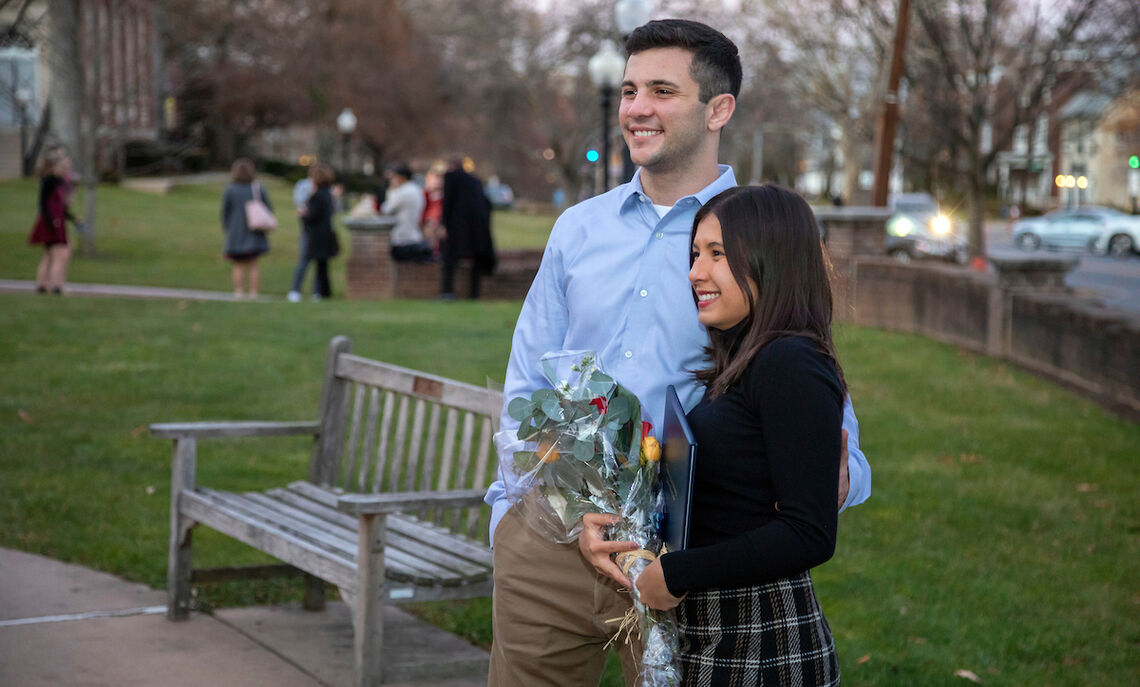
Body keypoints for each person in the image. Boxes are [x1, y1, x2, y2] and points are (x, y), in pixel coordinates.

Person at [486, 19, 870, 687]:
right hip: (551, 540)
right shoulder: (579, 228)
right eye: (630, 89)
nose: (635, 108)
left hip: (687, 554)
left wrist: (841, 475)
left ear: (719, 108)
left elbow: (806, 373)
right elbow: (529, 373)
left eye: (662, 90)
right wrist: (508, 511)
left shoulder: (755, 237)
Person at [636, 184, 846, 685]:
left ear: (771, 258)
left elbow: (808, 533)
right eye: (694, 254)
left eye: (717, 253)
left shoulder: (791, 363)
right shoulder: (744, 360)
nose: (695, 273)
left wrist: (679, 573)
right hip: (717, 630)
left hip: (762, 636)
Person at [440, 159, 495, 299]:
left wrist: (444, 224)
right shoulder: (475, 181)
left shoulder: (452, 178)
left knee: (449, 258)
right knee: (475, 259)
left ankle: (447, 292)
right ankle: (474, 294)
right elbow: (487, 203)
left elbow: (448, 202)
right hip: (478, 226)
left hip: (457, 225)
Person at [28, 147, 77, 294]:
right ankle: (57, 286)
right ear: (55, 166)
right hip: (51, 222)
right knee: (60, 254)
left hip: (57, 221)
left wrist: (73, 218)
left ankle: (42, 285)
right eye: (63, 167)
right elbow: (43, 204)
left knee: (50, 254)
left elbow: (61, 206)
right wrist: (51, 222)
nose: (64, 171)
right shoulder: (49, 181)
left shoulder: (61, 182)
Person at [221, 158, 272, 298]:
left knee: (238, 264)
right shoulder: (258, 188)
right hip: (254, 231)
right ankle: (253, 292)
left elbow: (225, 212)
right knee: (253, 264)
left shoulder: (230, 190)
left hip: (235, 231)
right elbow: (268, 208)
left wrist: (227, 228)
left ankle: (238, 291)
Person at [297, 163, 340, 301]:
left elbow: (312, 216)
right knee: (322, 266)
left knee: (308, 262)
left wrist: (303, 215)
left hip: (315, 235)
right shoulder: (328, 194)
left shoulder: (318, 195)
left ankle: (301, 291)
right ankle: (321, 292)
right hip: (326, 234)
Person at [381, 164, 432, 262]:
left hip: (403, 240)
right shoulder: (416, 189)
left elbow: (385, 209)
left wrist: (391, 190)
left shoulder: (403, 191)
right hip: (414, 236)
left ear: (401, 177)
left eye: (393, 177)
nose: (391, 181)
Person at [287, 170, 315, 302]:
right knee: (304, 259)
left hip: (319, 230)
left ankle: (317, 291)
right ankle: (295, 290)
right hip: (309, 228)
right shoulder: (304, 185)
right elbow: (300, 203)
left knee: (320, 263)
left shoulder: (324, 189)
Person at [421, 162, 446, 257]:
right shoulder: (423, 195)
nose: (438, 180)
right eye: (436, 177)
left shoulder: (447, 197)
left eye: (441, 177)